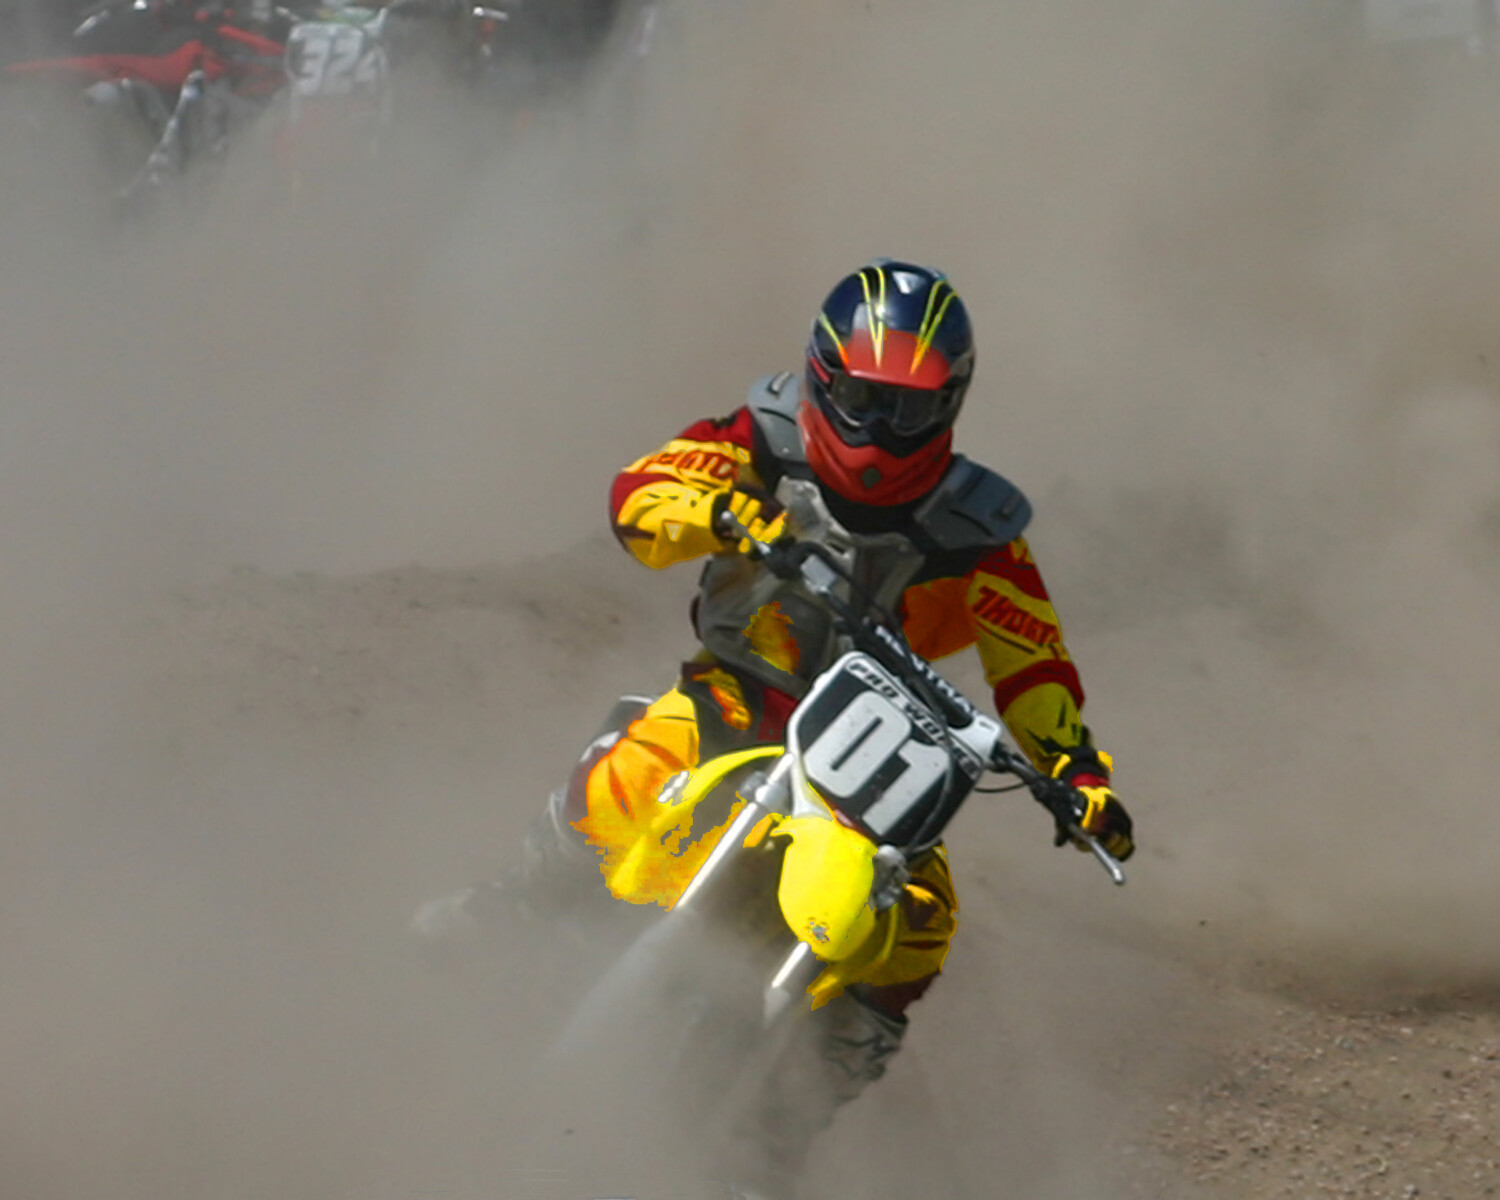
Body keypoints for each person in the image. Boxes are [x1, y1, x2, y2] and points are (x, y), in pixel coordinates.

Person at [415, 258, 1135, 1198]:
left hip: (889, 761)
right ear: (822, 378)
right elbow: (641, 495)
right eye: (863, 401)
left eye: (907, 412)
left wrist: (1078, 772)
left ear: (950, 405)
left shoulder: (982, 528)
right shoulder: (758, 440)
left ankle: (785, 1119)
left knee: (923, 924)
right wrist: (710, 510)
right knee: (629, 776)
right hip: (742, 697)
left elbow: (1031, 659)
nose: (880, 431)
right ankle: (518, 897)